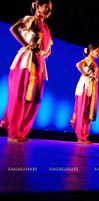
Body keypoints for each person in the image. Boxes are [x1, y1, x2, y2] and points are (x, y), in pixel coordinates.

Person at [0, 0, 53, 142]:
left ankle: (21, 132)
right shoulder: (31, 20)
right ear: (37, 6)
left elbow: (47, 46)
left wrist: (45, 52)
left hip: (39, 64)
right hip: (27, 61)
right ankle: (13, 133)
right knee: (20, 95)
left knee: (34, 99)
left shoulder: (46, 28)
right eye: (46, 6)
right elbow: (14, 29)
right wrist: (27, 44)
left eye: (50, 9)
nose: (48, 10)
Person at [70, 43, 99, 144]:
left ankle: (83, 136)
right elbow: (78, 64)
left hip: (90, 87)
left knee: (87, 111)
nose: (98, 53)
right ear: (91, 50)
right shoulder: (88, 59)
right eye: (97, 51)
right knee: (83, 111)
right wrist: (85, 73)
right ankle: (81, 137)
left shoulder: (92, 61)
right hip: (85, 86)